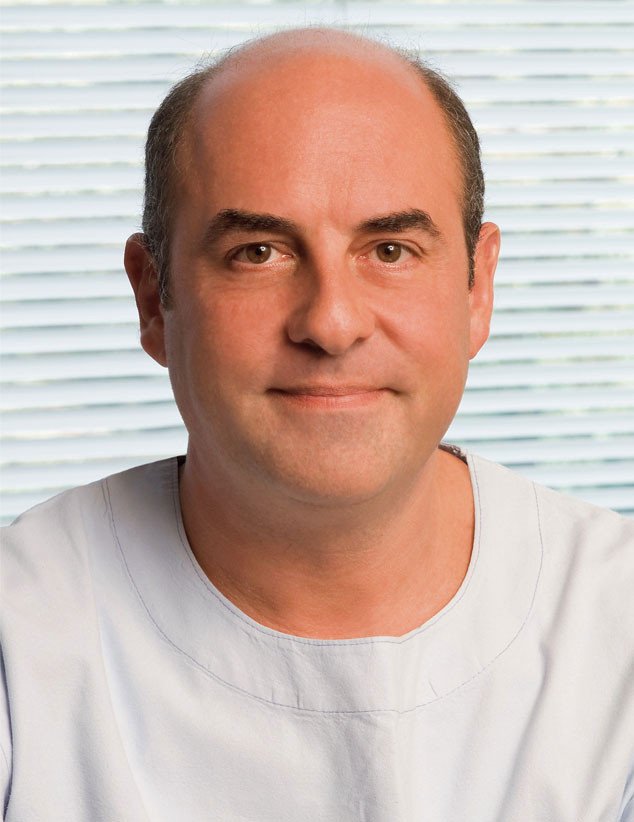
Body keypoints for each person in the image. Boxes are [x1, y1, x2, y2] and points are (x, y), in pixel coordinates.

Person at [1, 27, 632, 822]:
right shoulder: (20, 636)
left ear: (478, 290)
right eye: (258, 252)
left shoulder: (616, 623)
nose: (331, 324)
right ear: (153, 299)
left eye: (391, 250)